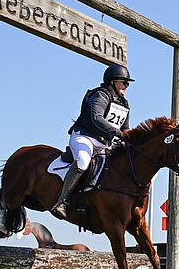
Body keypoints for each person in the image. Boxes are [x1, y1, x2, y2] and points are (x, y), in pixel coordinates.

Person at [50, 63, 133, 219]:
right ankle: (62, 201)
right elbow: (97, 118)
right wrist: (117, 133)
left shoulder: (124, 104)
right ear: (112, 81)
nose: (126, 86)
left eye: (127, 83)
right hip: (85, 137)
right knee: (82, 161)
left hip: (104, 145)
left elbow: (126, 129)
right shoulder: (100, 95)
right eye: (124, 82)